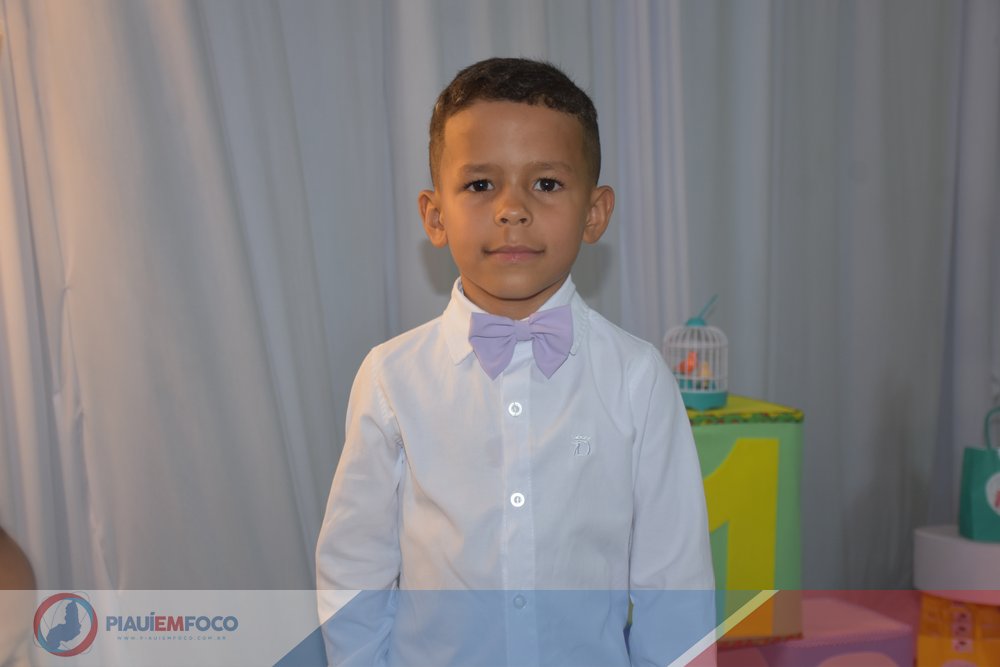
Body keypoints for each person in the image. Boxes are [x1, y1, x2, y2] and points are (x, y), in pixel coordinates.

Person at [316, 57, 715, 667]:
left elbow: (675, 587)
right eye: (481, 185)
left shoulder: (638, 380)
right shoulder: (391, 378)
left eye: (546, 184)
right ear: (435, 216)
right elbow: (354, 568)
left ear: (595, 213)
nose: (512, 209)